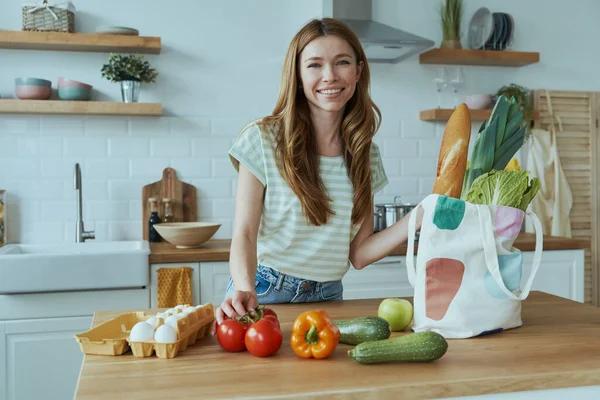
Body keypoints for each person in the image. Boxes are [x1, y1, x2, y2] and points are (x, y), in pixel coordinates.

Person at [213, 18, 422, 330]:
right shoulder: (263, 139)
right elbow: (244, 232)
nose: (330, 76)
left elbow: (360, 253)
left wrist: (420, 216)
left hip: (328, 295)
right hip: (263, 291)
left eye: (342, 62)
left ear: (358, 71)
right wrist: (244, 287)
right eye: (314, 65)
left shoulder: (365, 154)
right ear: (297, 73)